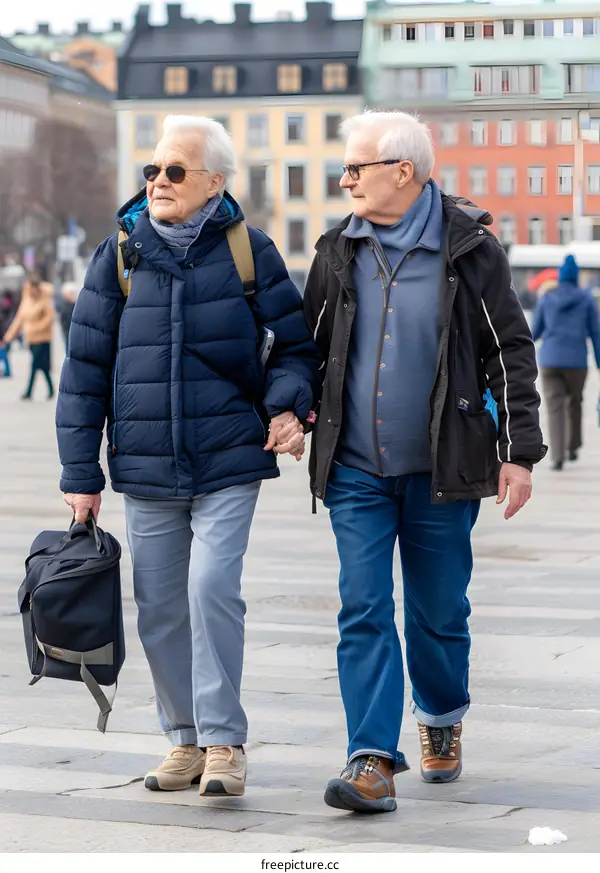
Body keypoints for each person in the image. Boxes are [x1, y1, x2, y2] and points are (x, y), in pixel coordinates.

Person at [55, 115, 320, 798]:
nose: (158, 182)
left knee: (211, 588)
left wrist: (287, 406)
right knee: (160, 605)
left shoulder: (248, 251)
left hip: (229, 456)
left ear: (214, 183)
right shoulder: (119, 255)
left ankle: (225, 740)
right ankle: (185, 738)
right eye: (153, 170)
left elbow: (295, 350)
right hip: (146, 464)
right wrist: (80, 474)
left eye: (175, 171)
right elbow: (84, 371)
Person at [303, 110, 546, 814]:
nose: (346, 180)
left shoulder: (469, 250)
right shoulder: (337, 250)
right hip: (354, 469)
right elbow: (305, 349)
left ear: (402, 171)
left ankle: (440, 714)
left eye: (356, 167)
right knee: (363, 605)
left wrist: (519, 453)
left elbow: (509, 350)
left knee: (438, 611)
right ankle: (371, 756)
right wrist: (289, 408)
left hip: (445, 467)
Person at [532, 254, 600, 471]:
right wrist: (599, 361)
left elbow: (534, 331)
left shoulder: (547, 298)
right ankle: (573, 447)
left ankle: (557, 457)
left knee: (555, 407)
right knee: (574, 403)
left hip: (550, 360)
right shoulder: (586, 299)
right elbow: (595, 332)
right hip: (577, 362)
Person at [1, 276, 54, 399]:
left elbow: (49, 318)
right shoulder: (26, 301)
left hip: (43, 339)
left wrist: (36, 328)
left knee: (35, 365)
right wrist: (7, 337)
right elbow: (18, 321)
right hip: (31, 339)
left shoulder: (45, 299)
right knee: (42, 366)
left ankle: (29, 391)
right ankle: (50, 389)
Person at [0, 291, 14, 377]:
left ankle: (7, 372)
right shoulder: (8, 307)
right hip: (7, 333)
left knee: (3, 353)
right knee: (4, 353)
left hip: (5, 334)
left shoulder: (5, 308)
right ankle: (7, 371)